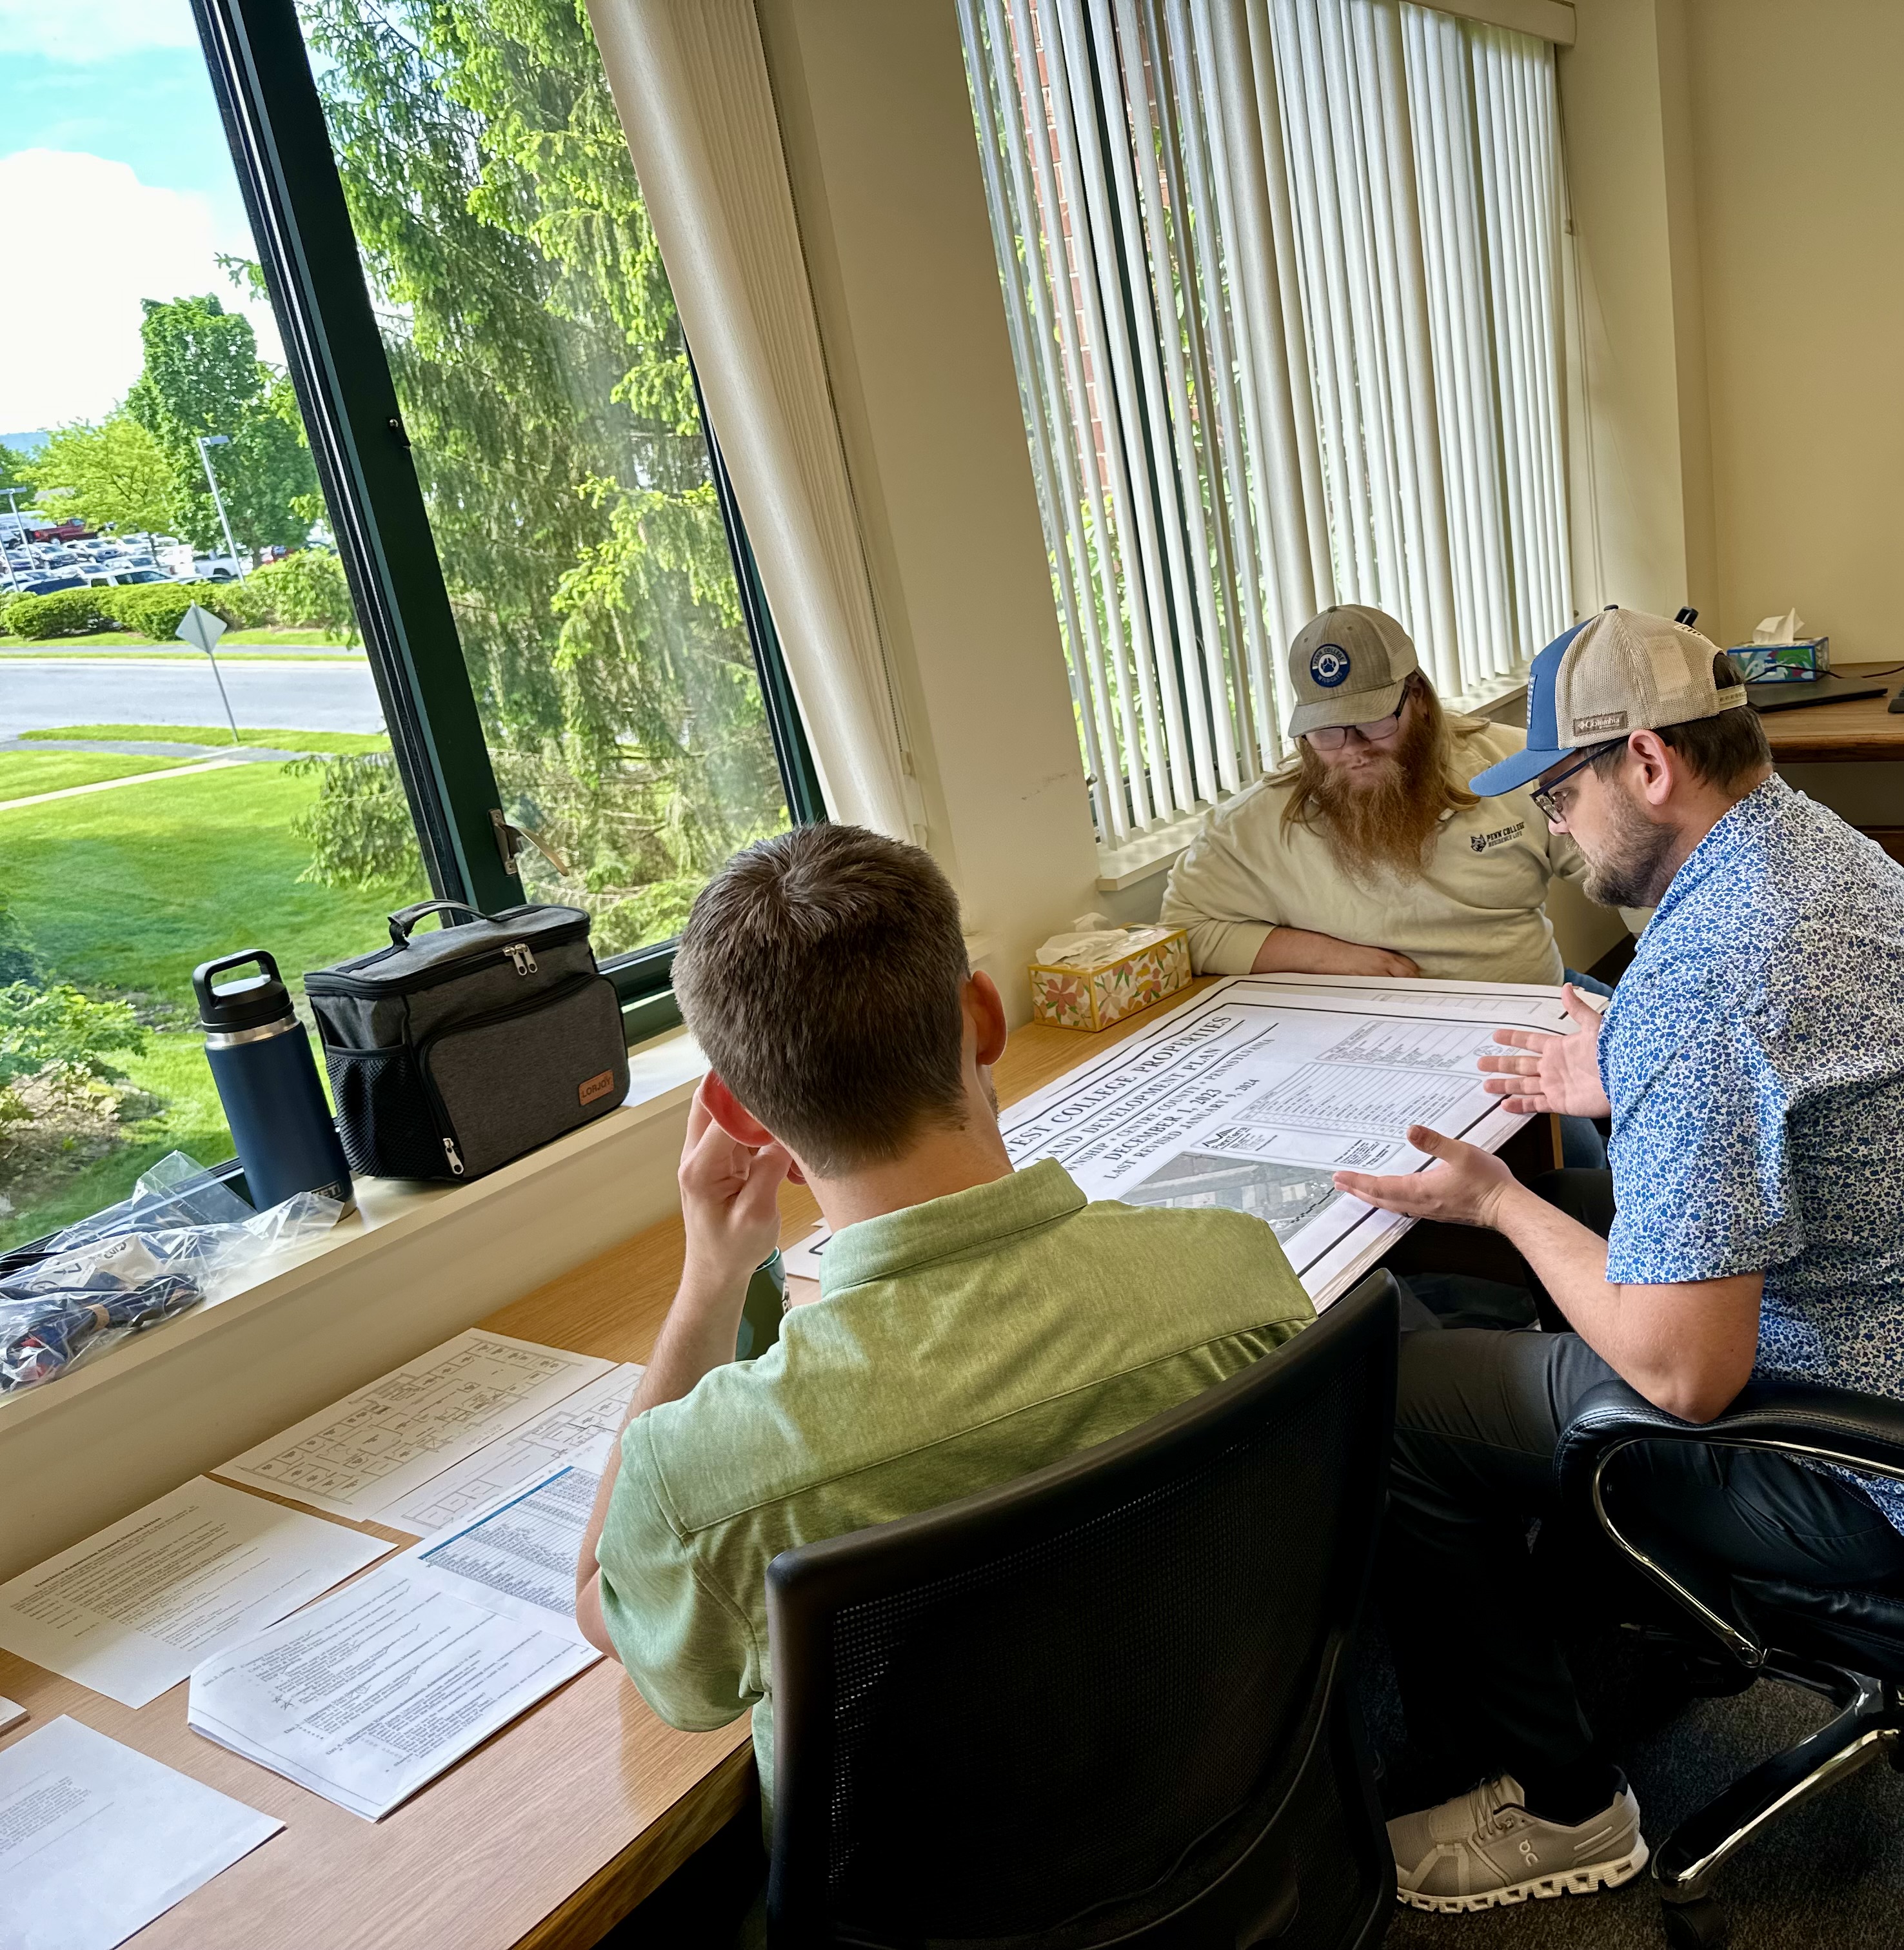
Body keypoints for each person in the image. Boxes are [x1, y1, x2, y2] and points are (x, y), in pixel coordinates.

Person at [574, 821, 1314, 1849]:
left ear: (738, 1116)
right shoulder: (1236, 1271)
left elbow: (601, 1605)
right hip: (1234, 1834)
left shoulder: (701, 1481)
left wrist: (708, 1282)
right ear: (985, 1014)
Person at [1330, 607, 1904, 1915]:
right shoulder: (1811, 849)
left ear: (1647, 763)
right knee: (1462, 1303)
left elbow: (1687, 1375)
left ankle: (1564, 1803)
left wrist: (1500, 1199)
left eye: (1560, 794)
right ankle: (1598, 1628)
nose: (1554, 833)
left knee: (1407, 1395)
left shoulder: (1711, 974)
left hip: (1856, 1456)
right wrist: (1628, 1079)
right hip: (1873, 1301)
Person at [1160, 605, 1601, 989]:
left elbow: (1640, 870)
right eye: (1326, 730)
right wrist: (1329, 958)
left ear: (1419, 698)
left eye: (1373, 723)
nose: (1352, 749)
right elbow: (1181, 934)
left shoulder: (1517, 765)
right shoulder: (1253, 825)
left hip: (1530, 1006)